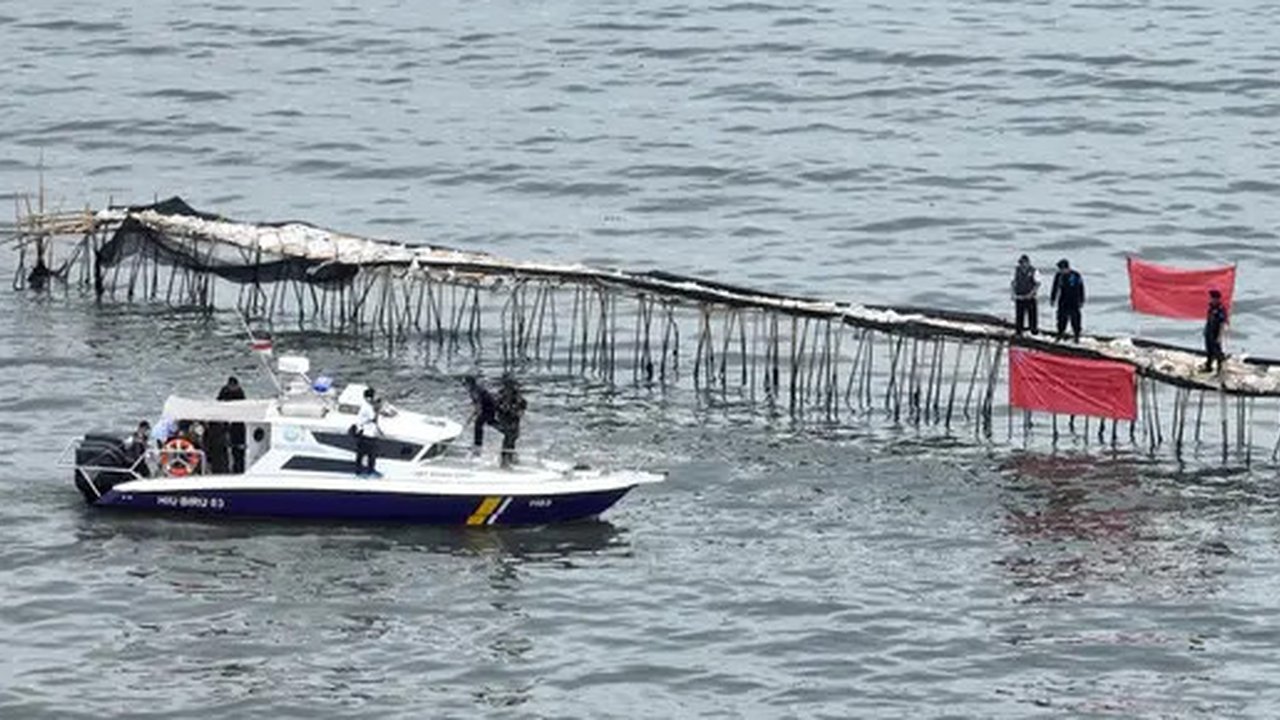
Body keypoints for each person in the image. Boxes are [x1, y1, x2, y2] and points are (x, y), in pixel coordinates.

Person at [495, 374, 528, 468]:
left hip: (513, 417)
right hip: (505, 417)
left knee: (514, 436)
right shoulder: (501, 394)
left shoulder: (516, 394)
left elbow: (523, 404)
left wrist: (519, 411)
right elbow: (497, 405)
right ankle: (504, 459)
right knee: (508, 437)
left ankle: (510, 456)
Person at [1050, 258, 1085, 342]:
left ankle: (1076, 336)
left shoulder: (1076, 275)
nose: (1060, 271)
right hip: (1063, 300)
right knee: (1061, 318)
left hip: (1074, 300)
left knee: (1075, 319)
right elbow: (1055, 288)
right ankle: (1060, 334)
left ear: (1066, 268)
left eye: (1062, 269)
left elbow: (1081, 288)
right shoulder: (1058, 276)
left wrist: (1081, 300)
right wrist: (1053, 299)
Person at [217, 376, 246, 473]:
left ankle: (237, 468)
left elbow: (242, 404)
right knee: (225, 449)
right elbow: (219, 401)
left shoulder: (239, 392)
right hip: (226, 419)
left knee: (237, 451)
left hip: (237, 422)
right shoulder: (224, 390)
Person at [354, 387, 381, 476]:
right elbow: (373, 417)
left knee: (363, 454)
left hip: (367, 433)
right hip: (366, 434)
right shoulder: (367, 407)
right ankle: (368, 471)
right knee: (370, 454)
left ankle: (362, 470)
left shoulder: (367, 406)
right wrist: (377, 407)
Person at [1010, 254, 1040, 335]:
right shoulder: (1016, 270)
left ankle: (1033, 331)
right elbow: (1013, 282)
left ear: (1028, 262)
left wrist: (1031, 294)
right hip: (1019, 296)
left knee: (1032, 315)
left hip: (1030, 297)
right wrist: (1013, 293)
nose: (1022, 264)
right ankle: (1019, 331)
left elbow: (1037, 284)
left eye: (1023, 262)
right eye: (1021, 263)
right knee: (1019, 315)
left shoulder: (1034, 271)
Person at [1203, 289, 1229, 373]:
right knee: (1209, 351)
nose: (1212, 299)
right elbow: (1209, 320)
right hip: (1209, 332)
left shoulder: (1220, 309)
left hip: (1216, 333)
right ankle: (1208, 367)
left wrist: (1219, 336)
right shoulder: (1211, 308)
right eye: (1211, 298)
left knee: (1217, 351)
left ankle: (1220, 368)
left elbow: (1222, 324)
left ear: (1218, 299)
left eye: (1213, 298)